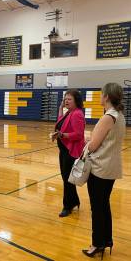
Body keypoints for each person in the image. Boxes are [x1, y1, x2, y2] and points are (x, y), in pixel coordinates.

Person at [82, 83, 126, 259]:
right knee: (104, 205)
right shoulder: (120, 115)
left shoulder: (108, 117)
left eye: (101, 94)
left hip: (100, 168)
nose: (100, 97)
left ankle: (97, 244)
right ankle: (106, 240)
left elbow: (93, 146)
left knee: (97, 209)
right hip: (112, 167)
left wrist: (88, 139)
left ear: (106, 96)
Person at [52, 89, 85, 217]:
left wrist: (62, 135)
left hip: (71, 152)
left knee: (67, 180)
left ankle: (67, 206)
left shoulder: (77, 114)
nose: (66, 100)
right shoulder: (69, 113)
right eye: (65, 99)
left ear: (76, 101)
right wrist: (60, 108)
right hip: (64, 150)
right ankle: (74, 201)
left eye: (69, 99)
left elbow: (78, 134)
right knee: (67, 179)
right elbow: (60, 122)